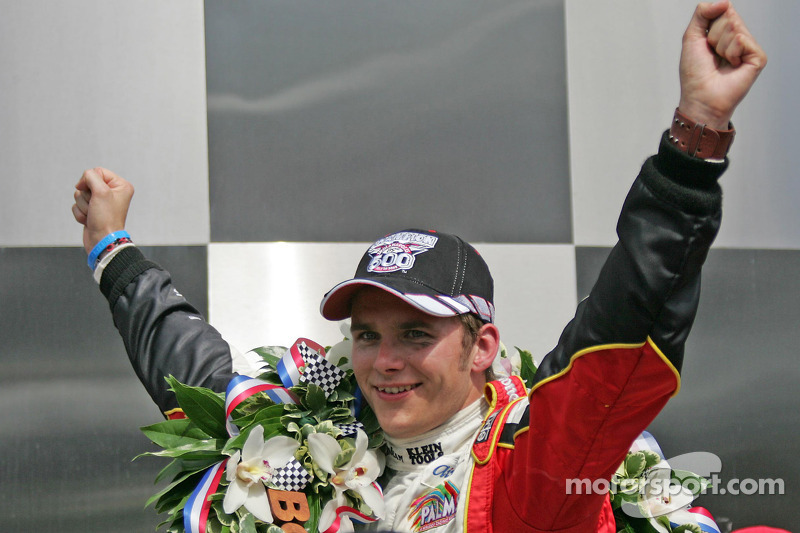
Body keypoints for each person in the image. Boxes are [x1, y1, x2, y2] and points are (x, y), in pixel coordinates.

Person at [71, 2, 766, 532]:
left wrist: (693, 143)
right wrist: (114, 251)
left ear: (482, 347)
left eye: (415, 332)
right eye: (368, 333)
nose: (383, 360)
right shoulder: (310, 447)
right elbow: (199, 377)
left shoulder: (531, 471)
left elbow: (616, 332)